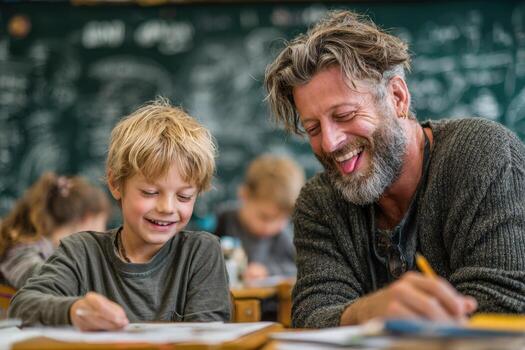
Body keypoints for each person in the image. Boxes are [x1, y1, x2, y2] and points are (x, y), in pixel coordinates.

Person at [264, 10, 525, 328]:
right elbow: (310, 316)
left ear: (398, 97)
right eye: (313, 128)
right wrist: (371, 311)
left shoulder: (483, 154)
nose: (330, 143)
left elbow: (506, 304)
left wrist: (363, 319)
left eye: (344, 114)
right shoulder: (319, 201)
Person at [9, 98, 231, 330]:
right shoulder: (81, 251)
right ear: (116, 184)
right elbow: (22, 307)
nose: (167, 208)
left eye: (184, 196)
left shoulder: (201, 252)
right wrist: (74, 310)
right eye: (150, 192)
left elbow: (208, 337)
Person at [0, 172, 110, 290]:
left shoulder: (50, 250)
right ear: (87, 219)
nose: (103, 233)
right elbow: (45, 281)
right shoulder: (23, 250)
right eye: (103, 224)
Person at [214, 154, 304, 282]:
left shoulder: (283, 236)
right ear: (244, 195)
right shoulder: (223, 220)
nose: (270, 227)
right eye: (264, 217)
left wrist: (268, 271)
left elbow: (298, 269)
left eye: (281, 220)